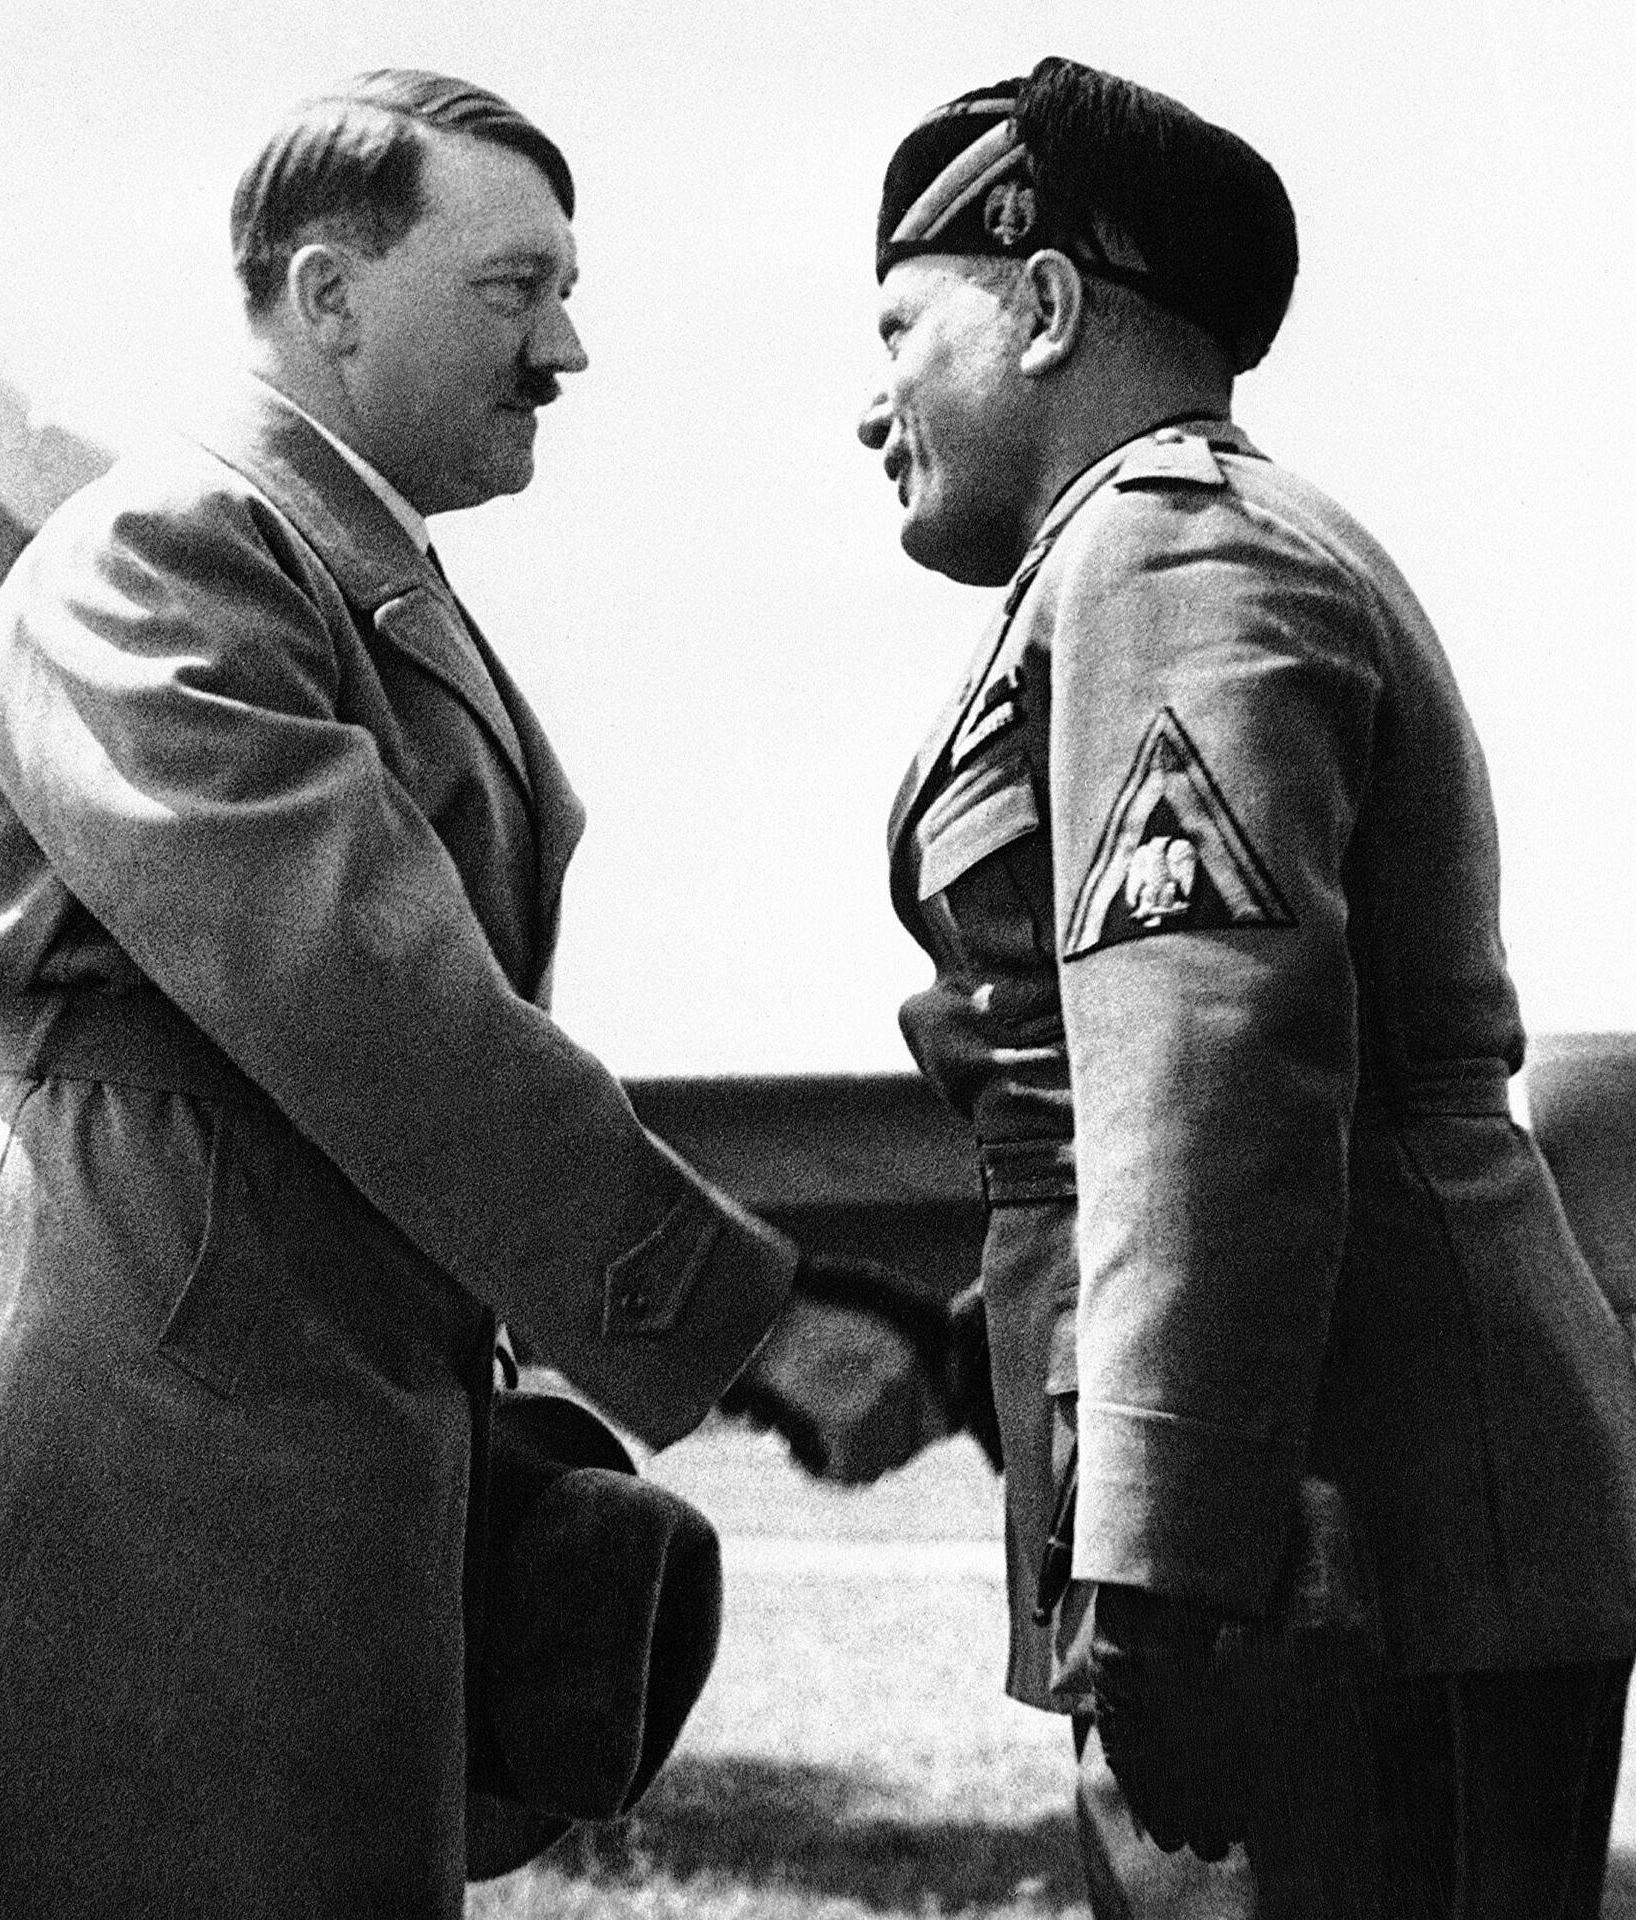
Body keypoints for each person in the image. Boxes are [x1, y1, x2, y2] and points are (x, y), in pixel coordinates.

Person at [0, 71, 958, 1920]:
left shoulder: (312, 552)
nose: (565, 348)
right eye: (514, 289)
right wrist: (745, 1321)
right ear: (328, 294)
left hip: (220, 1311)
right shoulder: (170, 543)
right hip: (137, 1325)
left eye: (566, 292)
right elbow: (364, 991)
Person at [859, 55, 1636, 1917]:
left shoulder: (1163, 549)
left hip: (1325, 1537)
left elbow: (1207, 1077)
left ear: (1046, 305)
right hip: (1341, 1511)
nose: (870, 403)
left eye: (900, 328)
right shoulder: (1163, 551)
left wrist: (1169, 1559)